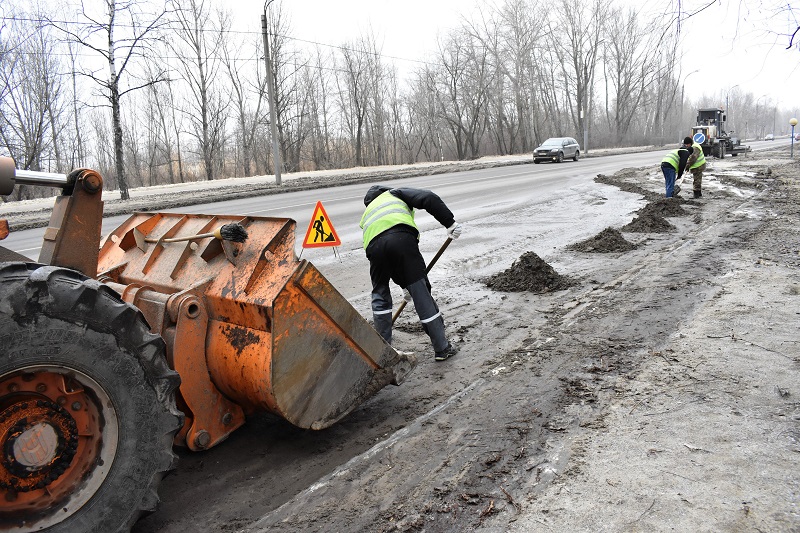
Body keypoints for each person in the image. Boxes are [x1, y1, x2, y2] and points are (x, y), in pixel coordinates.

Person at [360, 185, 462, 361]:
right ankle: (442, 348)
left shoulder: (367, 214)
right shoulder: (394, 193)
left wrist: (403, 284)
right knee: (420, 293)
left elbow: (387, 252)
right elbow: (428, 197)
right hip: (401, 238)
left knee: (380, 294)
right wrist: (449, 222)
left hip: (374, 249)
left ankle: (381, 353)